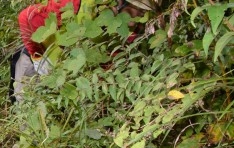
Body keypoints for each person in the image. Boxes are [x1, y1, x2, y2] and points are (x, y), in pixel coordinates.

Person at [10, 0, 152, 102]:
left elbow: (113, 58)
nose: (136, 19)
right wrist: (38, 58)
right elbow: (25, 17)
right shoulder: (74, 5)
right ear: (119, 2)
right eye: (135, 9)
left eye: (143, 11)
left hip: (72, 72)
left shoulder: (136, 27)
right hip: (38, 55)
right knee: (26, 104)